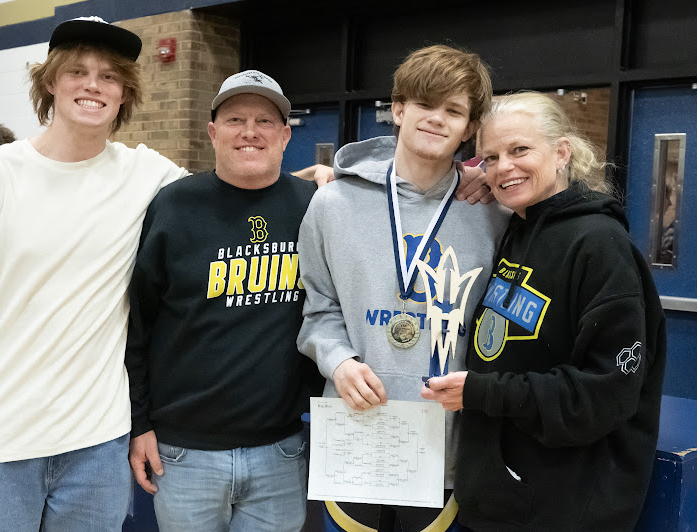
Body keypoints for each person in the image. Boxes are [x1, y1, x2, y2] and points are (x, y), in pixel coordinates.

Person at [0, 16, 189, 531]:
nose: (94, 85)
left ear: (124, 93)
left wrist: (318, 178)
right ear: (50, 82)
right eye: (78, 72)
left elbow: (223, 197)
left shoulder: (147, 175)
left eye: (109, 76)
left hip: (98, 445)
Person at [422, 91, 666, 530]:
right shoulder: (515, 228)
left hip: (564, 511)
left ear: (561, 153)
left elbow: (604, 395)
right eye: (491, 157)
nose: (504, 167)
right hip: (499, 501)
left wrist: (483, 392)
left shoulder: (600, 246)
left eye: (520, 150)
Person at [297, 45, 510, 531]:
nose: (436, 119)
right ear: (397, 110)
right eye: (424, 104)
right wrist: (338, 360)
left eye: (453, 110)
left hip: (446, 446)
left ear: (469, 128)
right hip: (354, 432)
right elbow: (318, 309)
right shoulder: (332, 204)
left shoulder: (494, 214)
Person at [125, 69, 324, 532]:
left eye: (264, 121)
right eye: (236, 120)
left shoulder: (313, 205)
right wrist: (140, 424)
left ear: (285, 136)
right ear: (213, 133)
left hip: (281, 450)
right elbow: (137, 326)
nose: (250, 131)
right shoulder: (173, 206)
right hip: (183, 452)